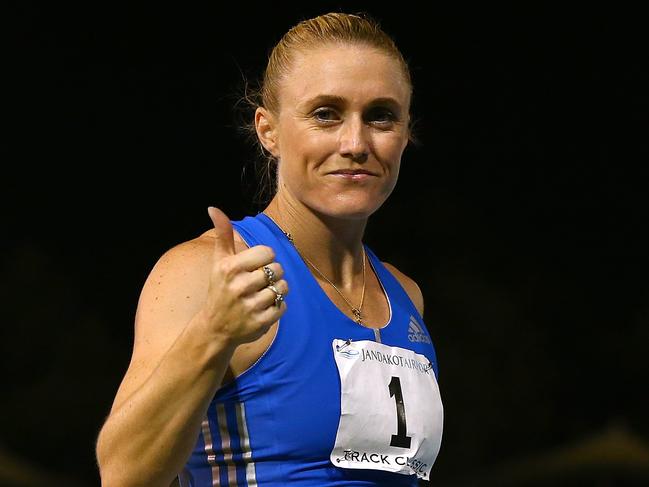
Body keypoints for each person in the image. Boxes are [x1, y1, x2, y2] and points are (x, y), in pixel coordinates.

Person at [95, 11, 443, 487]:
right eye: (326, 114)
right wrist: (213, 333)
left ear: (405, 134)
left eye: (381, 116)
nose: (355, 142)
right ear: (268, 130)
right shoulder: (207, 272)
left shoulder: (406, 296)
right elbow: (122, 475)